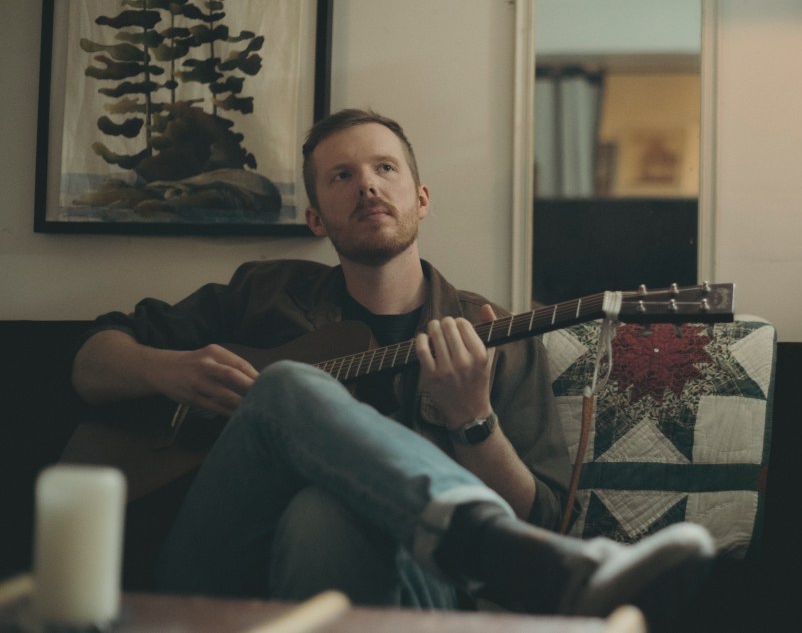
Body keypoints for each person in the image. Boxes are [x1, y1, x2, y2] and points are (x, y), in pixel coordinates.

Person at [71, 109, 715, 627]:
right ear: (316, 217)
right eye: (341, 176)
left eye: (385, 168)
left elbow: (541, 514)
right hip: (217, 571)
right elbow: (90, 363)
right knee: (291, 383)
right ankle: (556, 575)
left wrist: (474, 421)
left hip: (415, 597)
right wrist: (163, 370)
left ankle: (524, 560)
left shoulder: (497, 335)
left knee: (323, 511)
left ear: (422, 197)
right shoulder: (262, 291)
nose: (368, 185)